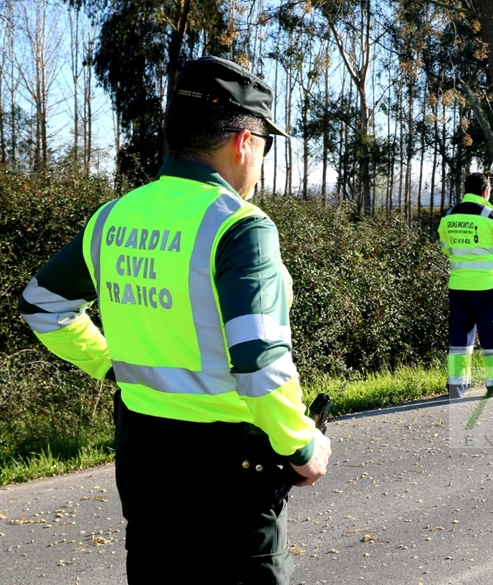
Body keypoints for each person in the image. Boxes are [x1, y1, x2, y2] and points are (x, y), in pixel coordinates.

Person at [17, 55, 331, 584]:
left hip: (143, 459)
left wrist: (111, 365)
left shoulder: (113, 218)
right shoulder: (239, 226)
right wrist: (302, 445)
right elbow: (259, 363)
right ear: (243, 143)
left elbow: (41, 304)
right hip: (231, 471)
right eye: (265, 147)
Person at [438, 172, 493, 398]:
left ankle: (456, 387)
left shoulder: (449, 216)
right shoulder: (492, 216)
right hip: (487, 286)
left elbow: (446, 248)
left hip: (459, 285)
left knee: (459, 337)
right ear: (485, 191)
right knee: (492, 336)